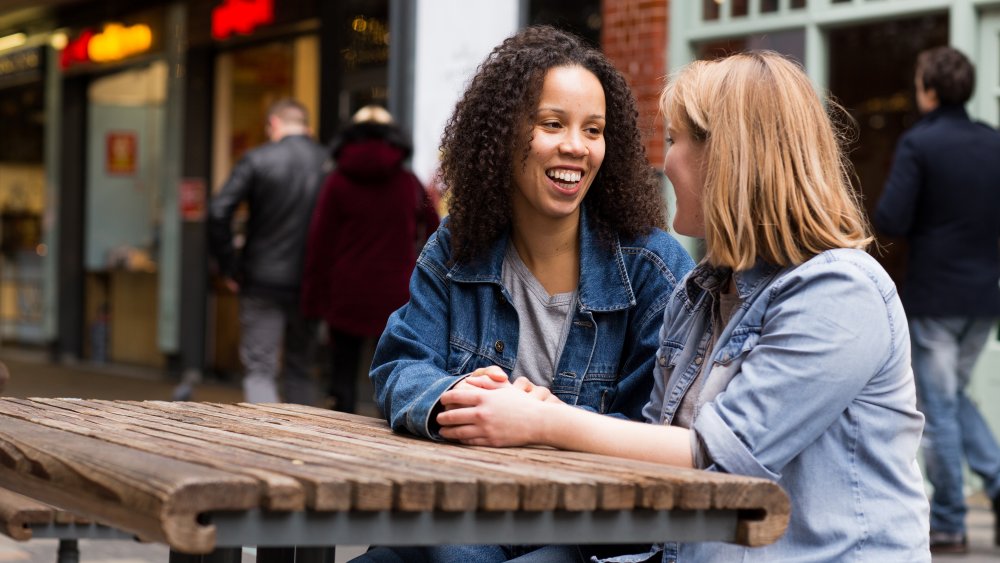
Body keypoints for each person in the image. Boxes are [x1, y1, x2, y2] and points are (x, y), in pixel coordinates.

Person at [436, 51, 931, 562]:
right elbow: (653, 461)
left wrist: (544, 423)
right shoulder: (699, 294)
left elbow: (722, 459)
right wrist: (541, 410)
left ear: (729, 156)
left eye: (673, 141)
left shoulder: (840, 293)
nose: (662, 162)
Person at [355, 25, 694, 562]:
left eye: (593, 130)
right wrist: (458, 397)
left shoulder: (652, 265)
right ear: (502, 135)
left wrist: (545, 423)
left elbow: (659, 431)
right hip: (466, 503)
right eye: (552, 124)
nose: (575, 148)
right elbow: (399, 365)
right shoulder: (457, 246)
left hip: (586, 530)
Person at [874, 46, 1000, 554]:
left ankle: (948, 519)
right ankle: (996, 484)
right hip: (984, 297)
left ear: (928, 89)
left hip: (935, 297)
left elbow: (890, 219)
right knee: (952, 400)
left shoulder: (919, 144)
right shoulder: (993, 143)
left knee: (938, 410)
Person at [301, 105, 440, 413]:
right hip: (395, 293)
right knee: (392, 373)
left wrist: (314, 300)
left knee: (342, 377)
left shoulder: (336, 182)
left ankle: (339, 440)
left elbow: (320, 244)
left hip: (345, 292)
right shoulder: (408, 183)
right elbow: (436, 232)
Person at [208, 98, 326, 405]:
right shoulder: (329, 163)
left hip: (261, 278)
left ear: (273, 124)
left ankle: (263, 443)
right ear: (307, 127)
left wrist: (230, 266)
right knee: (300, 369)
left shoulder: (257, 159)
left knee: (260, 369)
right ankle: (303, 442)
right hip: (312, 280)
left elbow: (219, 211)